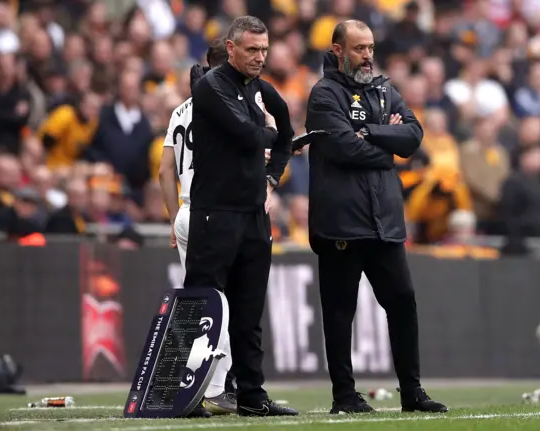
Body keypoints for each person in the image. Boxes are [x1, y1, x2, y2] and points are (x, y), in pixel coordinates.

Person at [304, 20, 448, 414]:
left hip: (384, 219)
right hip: (341, 221)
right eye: (359, 48)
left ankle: (412, 392)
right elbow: (343, 150)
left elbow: (415, 137)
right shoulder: (323, 95)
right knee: (339, 311)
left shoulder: (385, 89)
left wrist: (369, 132)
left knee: (403, 301)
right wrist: (387, 141)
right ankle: (344, 396)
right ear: (338, 51)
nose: (368, 55)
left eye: (370, 47)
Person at [183, 16, 298, 417]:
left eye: (264, 50)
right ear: (230, 49)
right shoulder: (211, 87)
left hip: (253, 214)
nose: (259, 58)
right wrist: (266, 128)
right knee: (201, 303)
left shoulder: (263, 89)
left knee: (249, 312)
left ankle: (252, 395)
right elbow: (252, 134)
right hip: (215, 213)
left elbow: (286, 135)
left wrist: (272, 176)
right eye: (252, 50)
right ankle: (183, 392)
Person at [158, 38, 237, 417]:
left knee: (198, 299)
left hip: (187, 211)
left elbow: (163, 171)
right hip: (215, 211)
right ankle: (215, 388)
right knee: (220, 303)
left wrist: (174, 219)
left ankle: (176, 383)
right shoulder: (224, 105)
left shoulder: (180, 110)